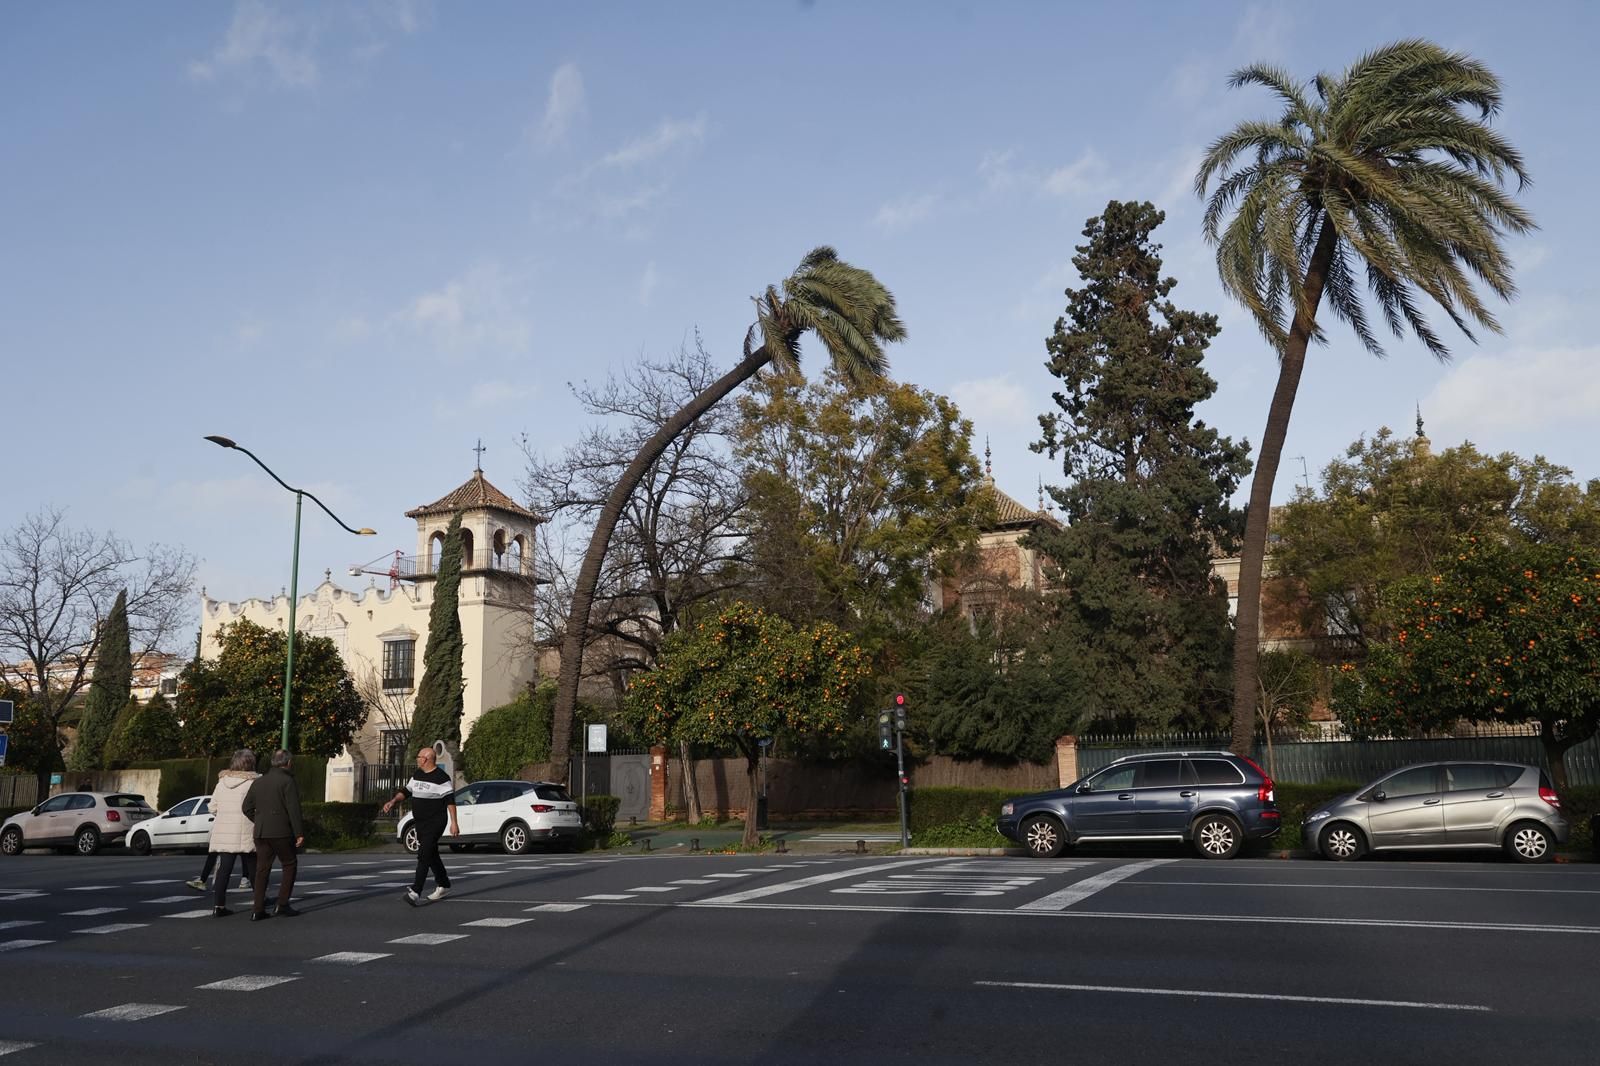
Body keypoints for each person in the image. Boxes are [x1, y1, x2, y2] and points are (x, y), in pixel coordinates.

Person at [382, 746, 458, 907]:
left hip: (435, 822)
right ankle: (444, 884)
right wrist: (393, 801)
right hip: (421, 822)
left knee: (424, 854)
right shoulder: (417, 775)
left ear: (426, 759)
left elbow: (450, 801)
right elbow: (407, 791)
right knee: (431, 854)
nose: (417, 759)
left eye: (419, 756)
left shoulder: (441, 778)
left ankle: (416, 891)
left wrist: (454, 823)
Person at [241, 749, 304, 921]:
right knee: (289, 864)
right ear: (288, 763)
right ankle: (282, 904)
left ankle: (257, 909)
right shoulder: (287, 781)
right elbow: (293, 809)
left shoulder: (258, 781)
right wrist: (299, 832)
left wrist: (259, 819)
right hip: (281, 831)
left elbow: (246, 807)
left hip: (261, 831)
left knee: (262, 870)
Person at [204, 749, 259, 917]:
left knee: (224, 871)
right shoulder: (254, 782)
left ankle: (218, 906)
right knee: (254, 869)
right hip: (247, 831)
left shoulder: (222, 782)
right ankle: (259, 901)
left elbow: (212, 807)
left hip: (224, 832)